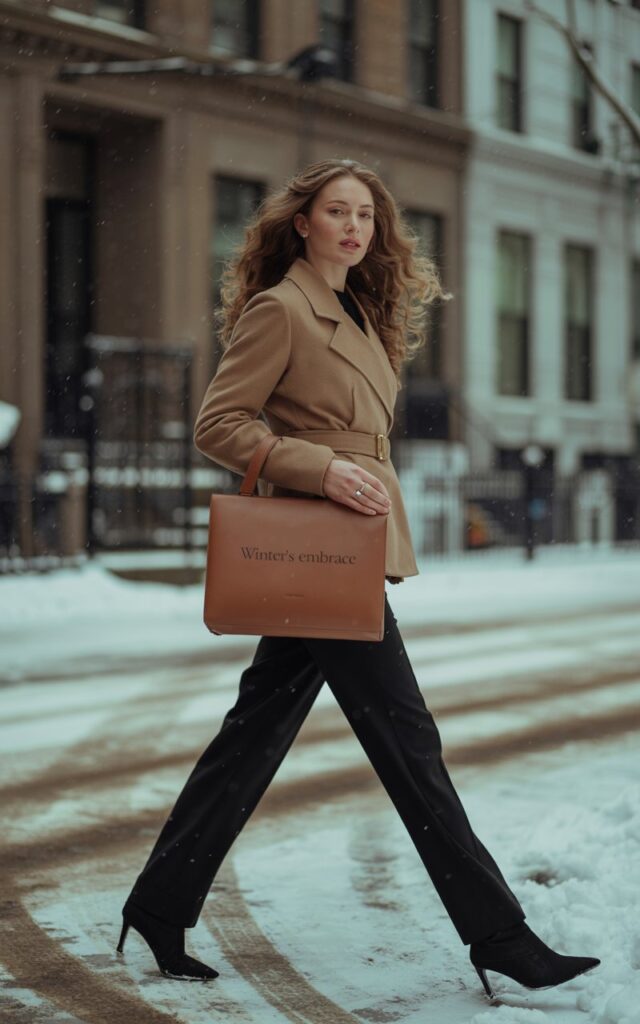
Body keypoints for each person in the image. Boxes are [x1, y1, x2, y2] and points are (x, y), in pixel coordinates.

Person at [116, 158, 600, 1000]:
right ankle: (499, 934)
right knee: (408, 743)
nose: (353, 227)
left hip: (344, 545)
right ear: (301, 223)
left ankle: (160, 905)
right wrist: (318, 469)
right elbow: (218, 423)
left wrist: (347, 475)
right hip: (322, 542)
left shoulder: (352, 310)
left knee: (253, 737)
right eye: (336, 212)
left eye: (366, 216)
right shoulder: (283, 308)